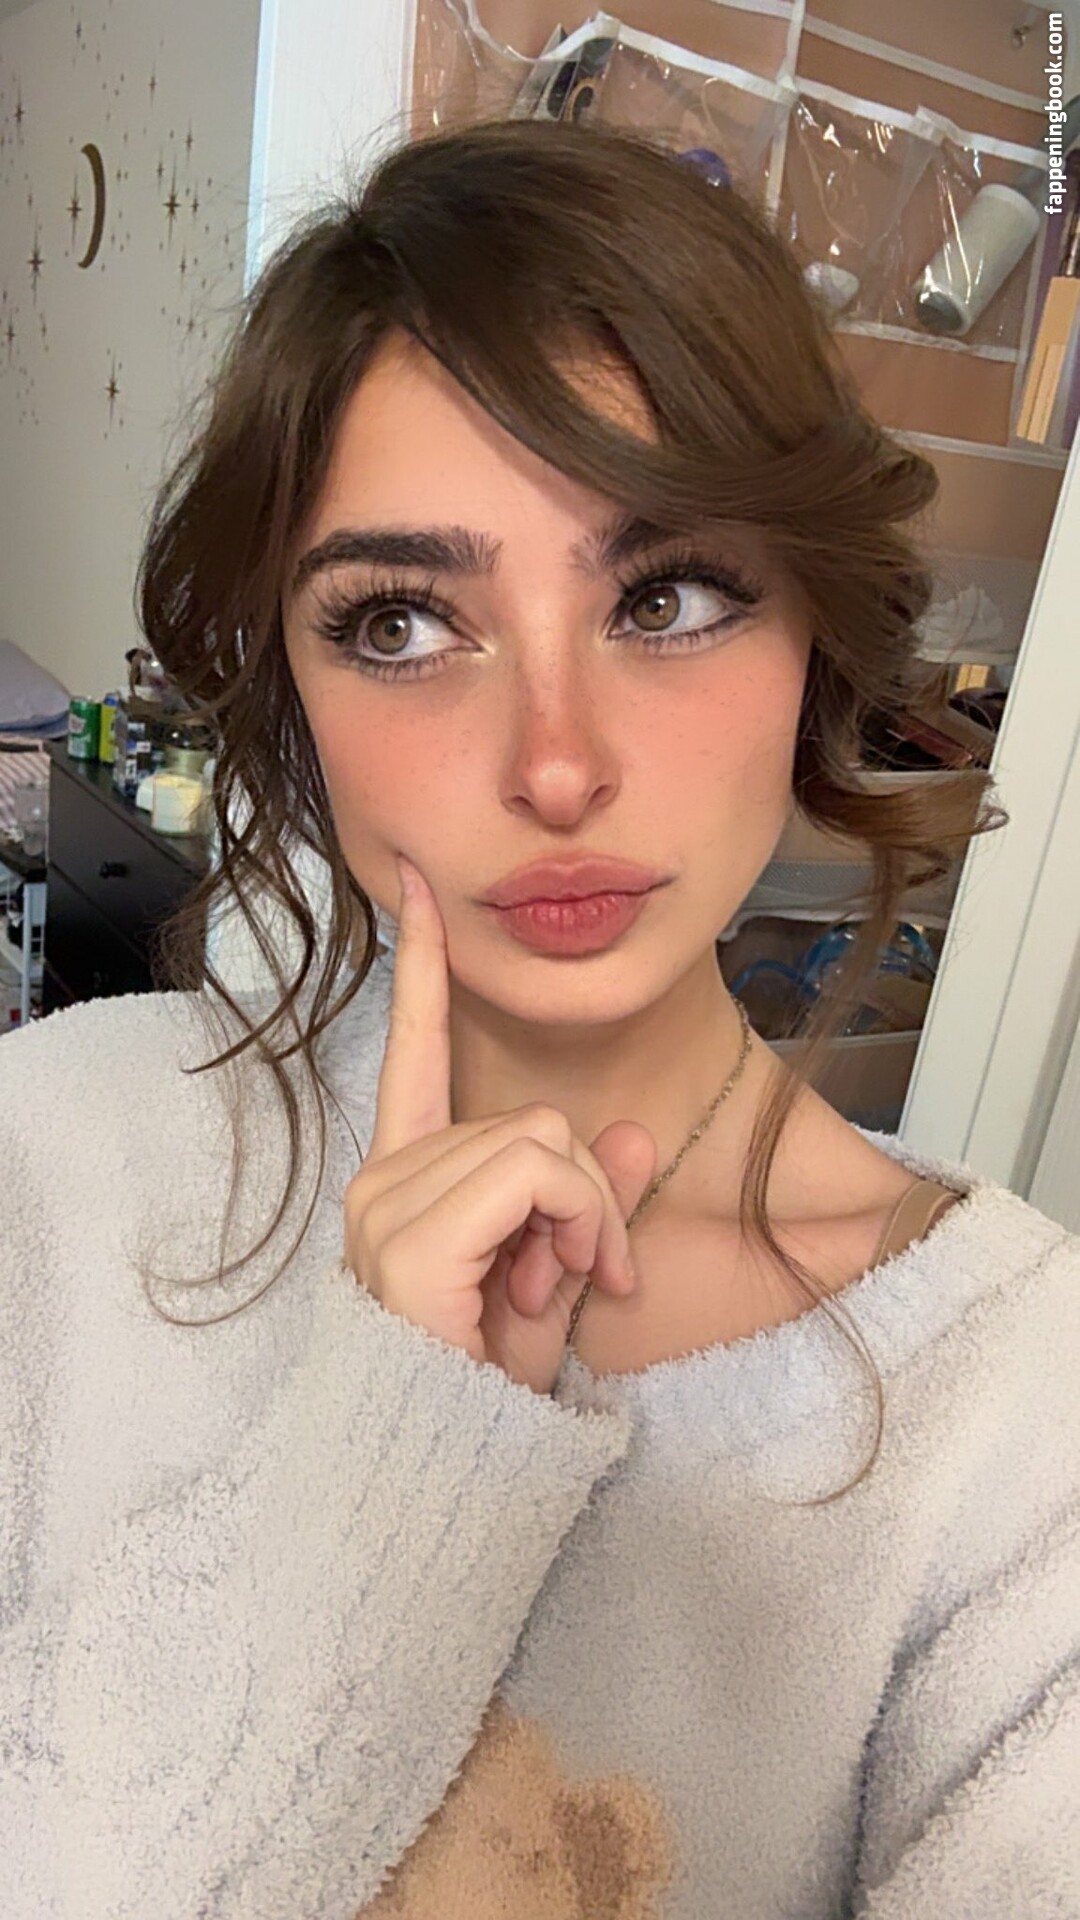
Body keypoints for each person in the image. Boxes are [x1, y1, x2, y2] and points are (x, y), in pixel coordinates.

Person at [2, 117, 1078, 1920]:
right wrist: (385, 1461)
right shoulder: (56, 1157)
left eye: (668, 596)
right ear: (291, 685)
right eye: (403, 624)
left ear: (817, 633)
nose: (556, 765)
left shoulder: (1026, 1422)